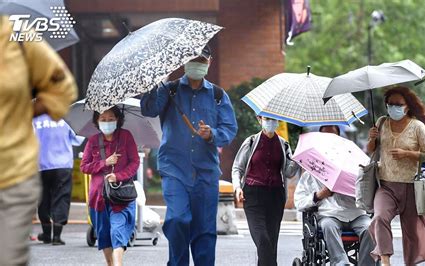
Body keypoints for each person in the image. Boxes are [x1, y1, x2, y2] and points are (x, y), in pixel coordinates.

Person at [140, 45, 238, 266]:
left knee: (204, 231)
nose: (197, 64)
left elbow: (229, 131)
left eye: (202, 60)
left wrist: (211, 133)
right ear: (184, 61)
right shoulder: (169, 90)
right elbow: (148, 109)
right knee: (177, 219)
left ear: (209, 63)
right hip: (174, 169)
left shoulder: (218, 95)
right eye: (193, 59)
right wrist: (155, 82)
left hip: (206, 172)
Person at [0, 16, 77, 265]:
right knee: (56, 199)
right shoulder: (64, 124)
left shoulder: (20, 35)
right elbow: (76, 137)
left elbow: (63, 89)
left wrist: (20, 112)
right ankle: (54, 232)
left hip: (14, 175)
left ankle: (50, 231)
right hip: (55, 164)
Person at [367, 86, 425, 266]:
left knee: (412, 231)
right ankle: (385, 261)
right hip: (386, 185)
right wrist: (372, 139)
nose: (393, 108)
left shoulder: (417, 126)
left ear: (407, 106)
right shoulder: (381, 122)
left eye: (398, 104)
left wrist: (408, 153)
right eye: (390, 104)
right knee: (380, 217)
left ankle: (410, 263)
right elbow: (371, 150)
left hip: (412, 187)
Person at [294, 125, 377, 266]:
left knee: (370, 228)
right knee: (328, 225)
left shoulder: (354, 167)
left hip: (356, 213)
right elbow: (299, 202)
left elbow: (367, 195)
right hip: (329, 215)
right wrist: (319, 195)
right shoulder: (310, 173)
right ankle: (340, 263)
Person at [232, 116, 299, 266]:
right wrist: (237, 187)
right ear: (259, 119)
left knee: (271, 243)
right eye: (267, 119)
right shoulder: (250, 142)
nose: (271, 122)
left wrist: (297, 160)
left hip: (276, 197)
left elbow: (288, 172)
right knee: (263, 240)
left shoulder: (284, 144)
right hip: (253, 196)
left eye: (274, 119)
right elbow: (238, 167)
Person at [80, 106, 139, 266]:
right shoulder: (92, 141)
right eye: (103, 119)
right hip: (98, 198)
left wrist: (118, 176)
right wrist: (104, 163)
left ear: (118, 119)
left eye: (111, 119)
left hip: (121, 196)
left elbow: (135, 162)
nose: (107, 122)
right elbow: (84, 167)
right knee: (104, 235)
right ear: (97, 121)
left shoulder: (126, 136)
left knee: (117, 231)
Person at [33, 114, 84, 245]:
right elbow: (78, 138)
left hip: (41, 164)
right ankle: (56, 236)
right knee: (61, 197)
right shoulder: (66, 117)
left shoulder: (35, 119)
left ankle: (46, 233)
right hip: (63, 164)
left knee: (43, 197)